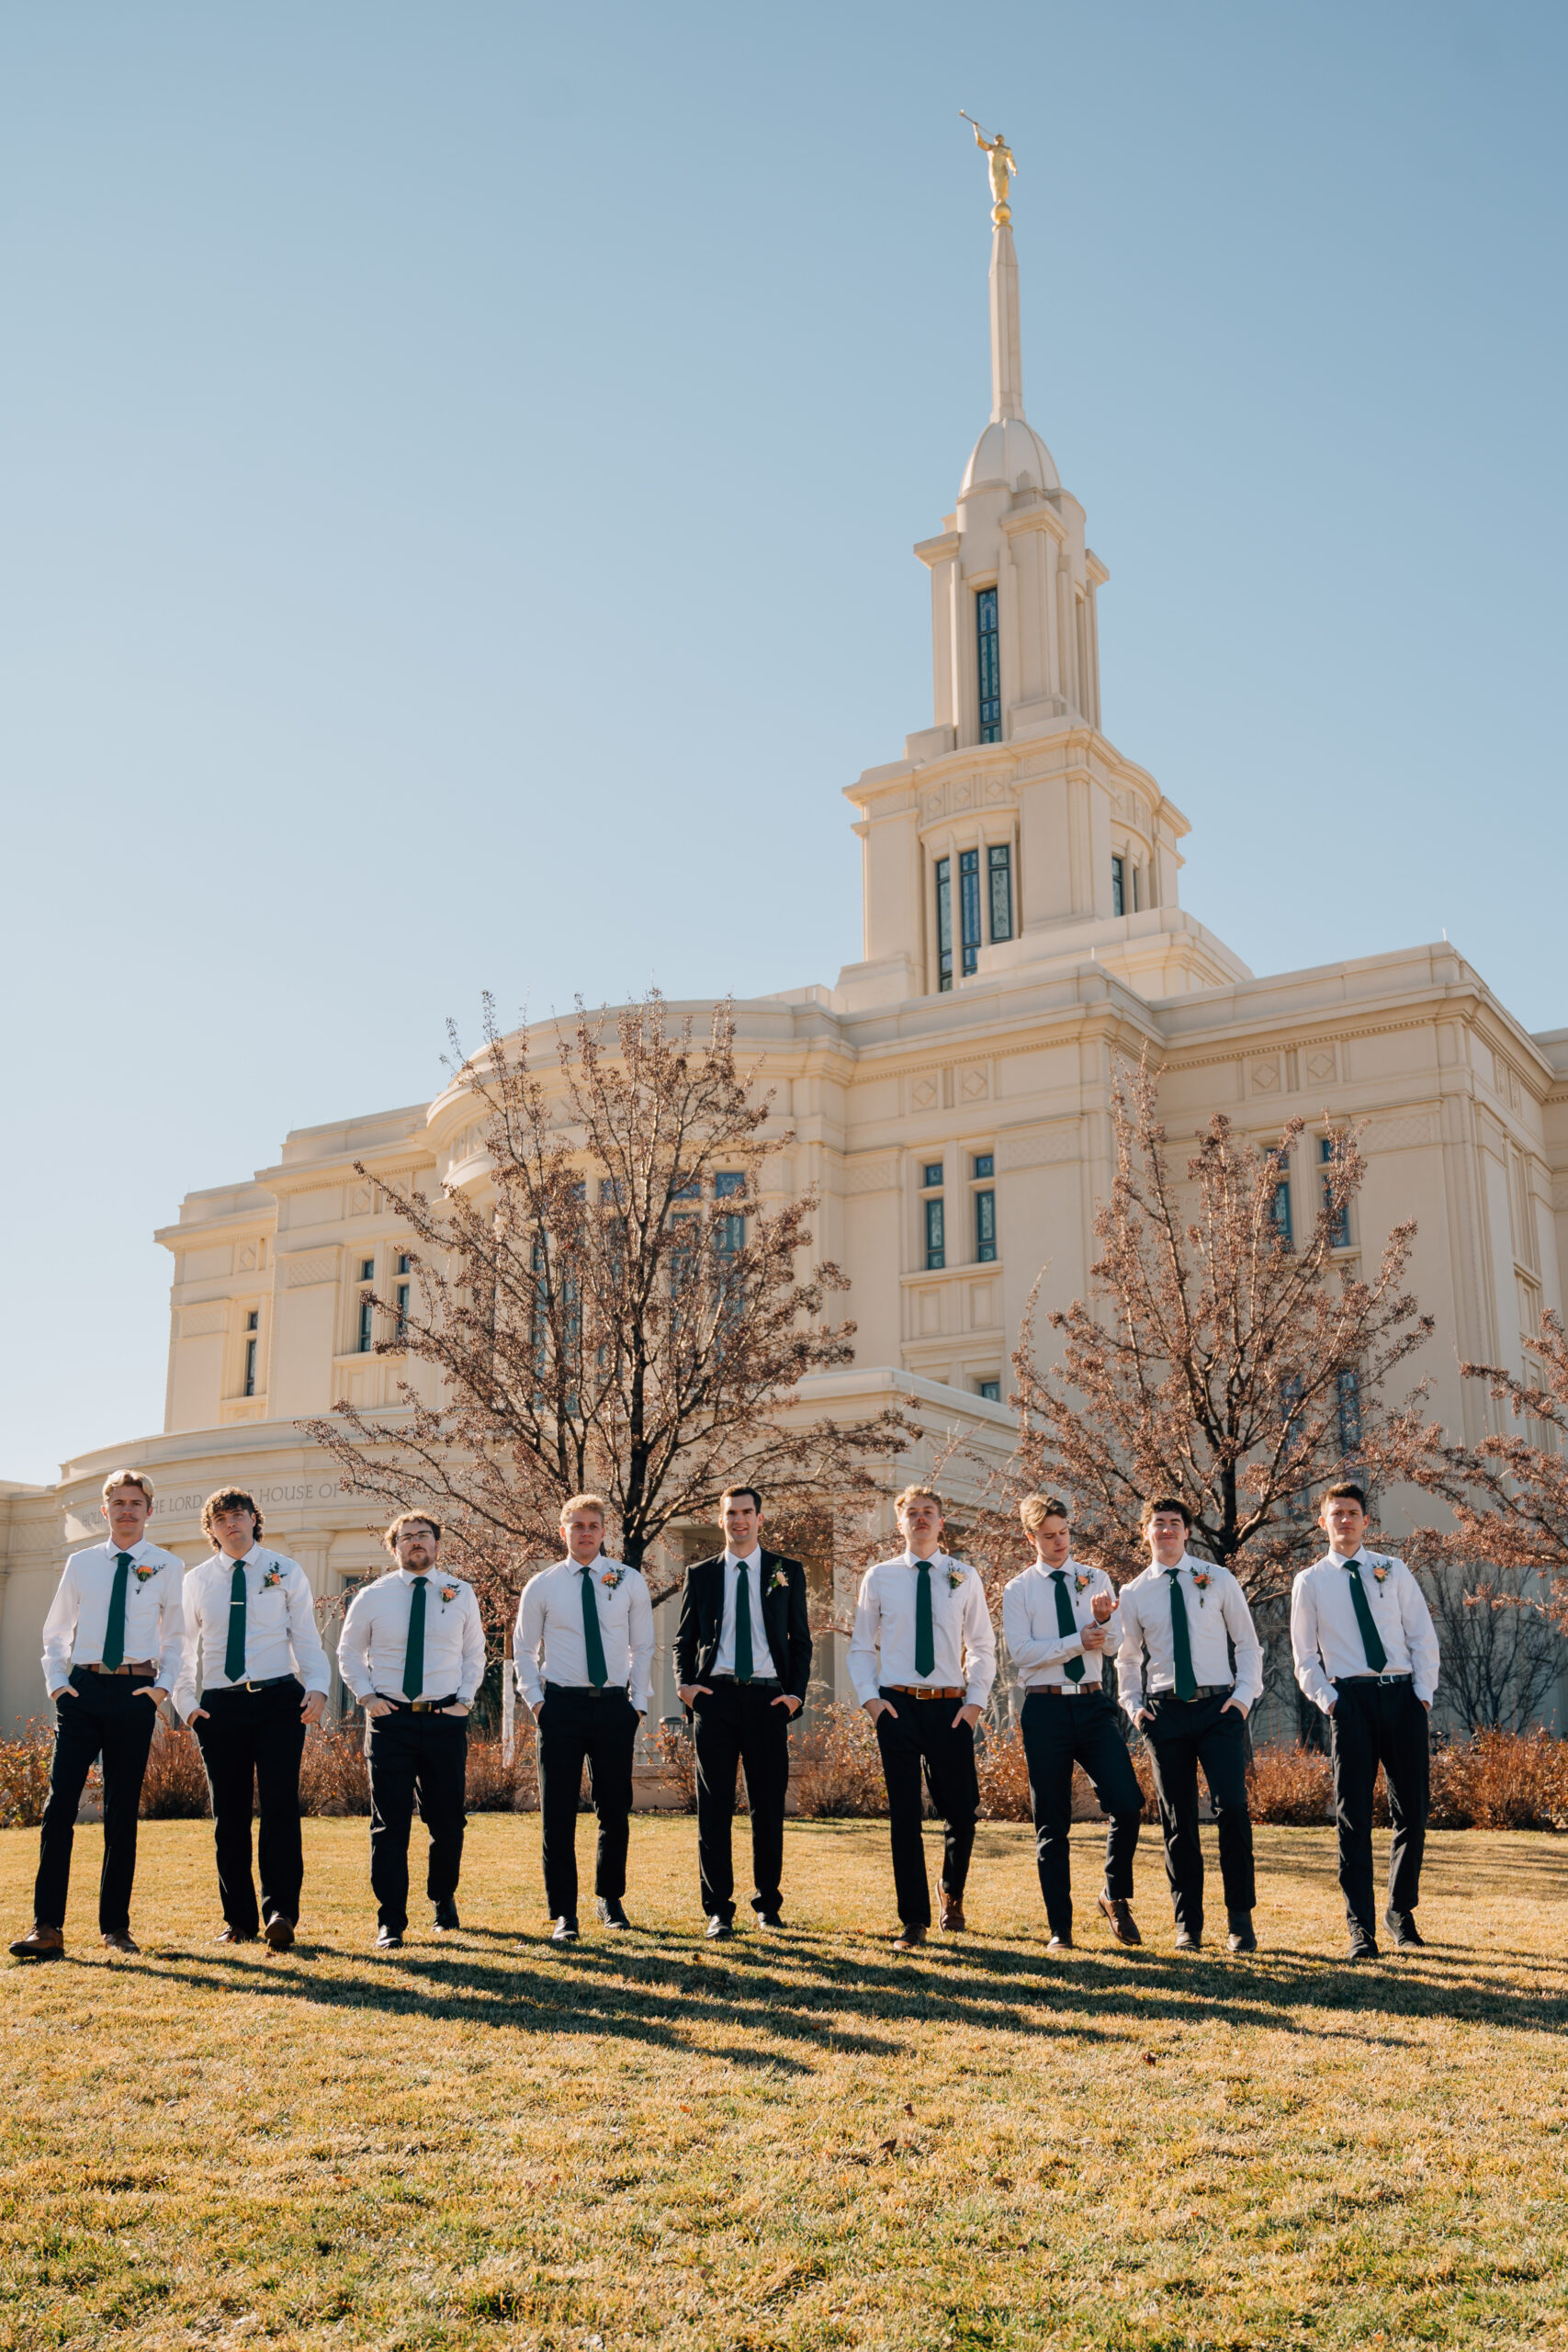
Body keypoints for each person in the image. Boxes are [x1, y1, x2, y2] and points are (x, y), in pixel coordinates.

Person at [9, 1470, 186, 1962]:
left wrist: (162, 1690)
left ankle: (115, 1927)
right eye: (118, 1503)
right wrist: (58, 1685)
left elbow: (175, 1637)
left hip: (135, 1692)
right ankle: (47, 1928)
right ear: (104, 1511)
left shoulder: (168, 1566)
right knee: (58, 1807)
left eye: (136, 1502)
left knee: (121, 1812)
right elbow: (56, 1629)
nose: (127, 1510)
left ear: (149, 1511)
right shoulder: (81, 1563)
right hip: (82, 1691)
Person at [174, 1487, 331, 1951]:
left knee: (281, 1807)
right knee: (230, 1816)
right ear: (211, 1529)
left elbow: (304, 1635)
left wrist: (317, 1686)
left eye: (238, 1514)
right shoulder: (197, 1581)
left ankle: (281, 1913)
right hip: (220, 1707)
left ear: (253, 1519)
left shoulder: (285, 1570)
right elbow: (182, 1648)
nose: (231, 1524)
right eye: (220, 1518)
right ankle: (238, 1920)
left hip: (279, 1699)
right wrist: (186, 1705)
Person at [1291, 1480, 1440, 1959]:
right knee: (1353, 1819)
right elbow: (1304, 1656)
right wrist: (1331, 1701)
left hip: (1402, 1700)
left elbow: (1421, 1635)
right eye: (1336, 1514)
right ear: (1323, 1522)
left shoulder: (1391, 1570)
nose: (1345, 1521)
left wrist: (1422, 1697)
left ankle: (1400, 1911)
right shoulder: (1310, 1581)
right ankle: (1361, 1928)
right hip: (1349, 1701)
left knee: (1412, 1814)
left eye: (1353, 1513)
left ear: (1366, 1521)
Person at [847, 1485, 997, 1952]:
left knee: (961, 1811)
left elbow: (983, 1646)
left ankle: (951, 1893)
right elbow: (860, 1647)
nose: (921, 1519)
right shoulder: (879, 1577)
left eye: (928, 1512)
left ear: (941, 1521)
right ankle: (913, 1919)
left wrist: (973, 1704)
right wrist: (873, 1702)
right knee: (905, 1816)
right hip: (897, 1706)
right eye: (912, 1513)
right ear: (900, 1524)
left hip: (952, 1706)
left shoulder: (963, 1575)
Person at [1115, 1497, 1264, 1953]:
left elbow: (1248, 1644)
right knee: (1178, 1822)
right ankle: (1189, 1926)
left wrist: (1242, 1699)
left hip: (1219, 1710)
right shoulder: (1134, 1593)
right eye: (1157, 1524)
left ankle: (1240, 1921)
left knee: (1232, 1809)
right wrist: (1134, 1708)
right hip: (1165, 1715)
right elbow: (1127, 1658)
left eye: (1174, 1524)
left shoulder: (1217, 1579)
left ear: (1187, 1532)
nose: (1166, 1531)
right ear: (1146, 1532)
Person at [1001, 1493, 1144, 1952]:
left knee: (1127, 1802)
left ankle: (1113, 1894)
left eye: (1064, 1533)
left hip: (1092, 1704)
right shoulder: (1018, 1588)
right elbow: (1020, 1652)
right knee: (1052, 1822)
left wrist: (1104, 1621)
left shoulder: (1094, 1577)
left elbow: (1114, 1644)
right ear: (1031, 1538)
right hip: (1044, 1710)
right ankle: (1060, 1929)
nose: (1060, 1542)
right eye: (1048, 1536)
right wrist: (1075, 1640)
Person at [337, 1512, 485, 1951]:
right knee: (390, 1825)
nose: (416, 1543)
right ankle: (391, 1921)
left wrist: (466, 1701)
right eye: (407, 1538)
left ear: (437, 1544)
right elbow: (348, 1651)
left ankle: (443, 1899)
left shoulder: (460, 1593)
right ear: (394, 1547)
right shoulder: (372, 1596)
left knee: (447, 1821)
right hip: (390, 1723)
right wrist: (367, 1697)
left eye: (424, 1536)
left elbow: (475, 1652)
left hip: (445, 1720)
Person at [515, 1493, 655, 1943]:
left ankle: (610, 1900)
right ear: (563, 1531)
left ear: (603, 1531)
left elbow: (644, 1646)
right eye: (577, 1525)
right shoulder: (542, 1585)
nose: (586, 1532)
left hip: (615, 1707)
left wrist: (638, 1703)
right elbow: (522, 1650)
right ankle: (564, 1914)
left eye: (593, 1525)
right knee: (557, 1813)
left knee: (614, 1809)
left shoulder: (628, 1580)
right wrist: (536, 1702)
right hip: (561, 1707)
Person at [675, 1486, 811, 1938]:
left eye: (747, 1513)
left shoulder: (785, 1571)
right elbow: (685, 1638)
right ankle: (718, 1909)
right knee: (713, 1809)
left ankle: (767, 1905)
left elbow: (801, 1640)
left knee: (767, 1807)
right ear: (721, 1519)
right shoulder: (701, 1574)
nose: (739, 1520)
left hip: (767, 1699)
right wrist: (686, 1687)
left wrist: (795, 1696)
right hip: (714, 1699)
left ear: (760, 1518)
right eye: (731, 1513)